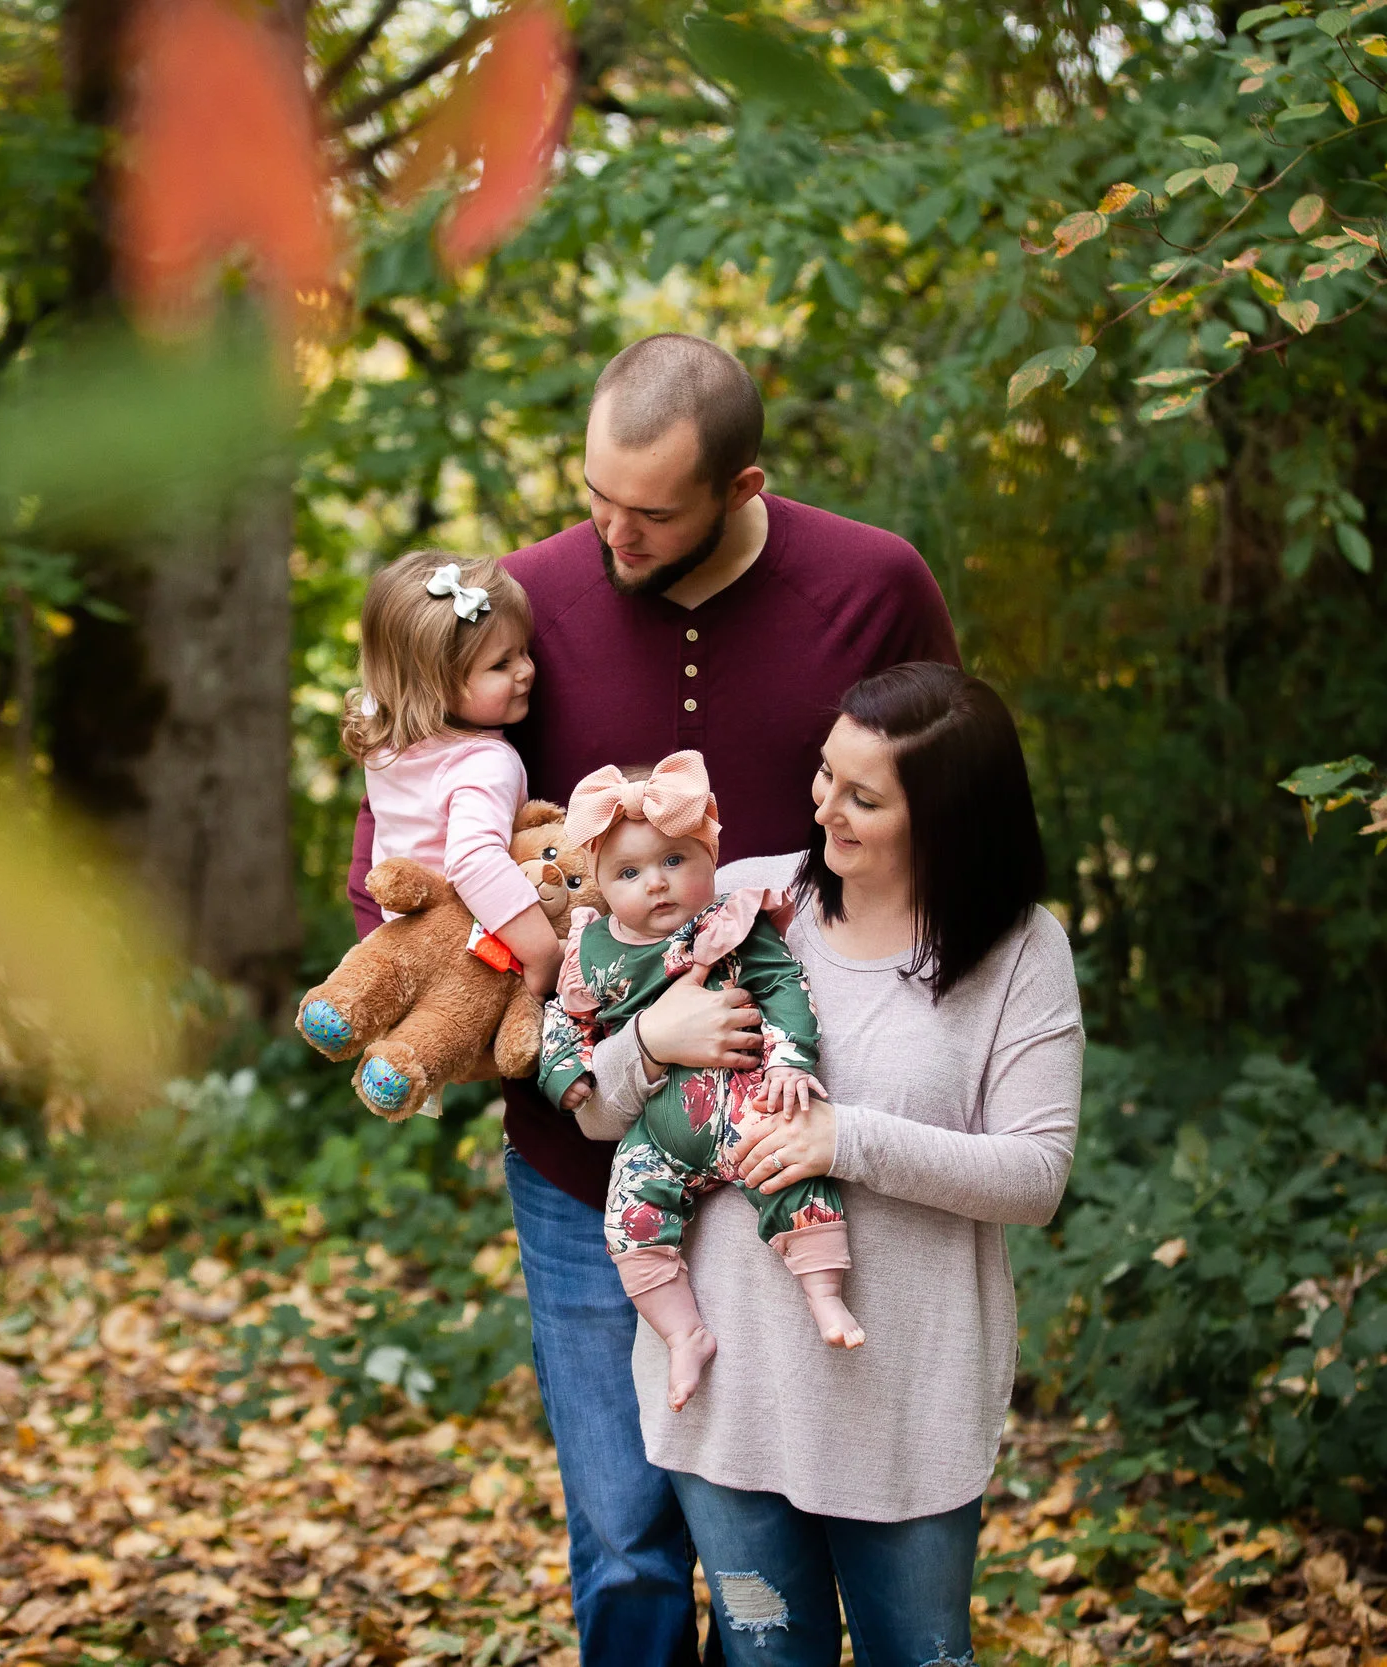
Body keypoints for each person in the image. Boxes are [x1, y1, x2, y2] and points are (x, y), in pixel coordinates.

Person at [348, 334, 956, 1666]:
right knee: (626, 1543)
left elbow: (945, 827)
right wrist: (498, 985)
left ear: (744, 485)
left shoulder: (873, 585)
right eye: (593, 495)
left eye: (650, 509)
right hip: (584, 1161)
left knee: (782, 1551)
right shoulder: (525, 605)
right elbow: (400, 861)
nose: (608, 532)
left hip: (787, 1140)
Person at [577, 663, 1082, 1667]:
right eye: (824, 777)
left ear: (946, 816)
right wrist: (652, 1041)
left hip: (905, 1404)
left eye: (863, 796)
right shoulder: (737, 900)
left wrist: (842, 1138)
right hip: (729, 1396)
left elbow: (1036, 1175)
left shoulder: (1021, 951)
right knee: (768, 1653)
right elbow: (597, 1113)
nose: (826, 809)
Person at [535, 752, 858, 1415]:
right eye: (629, 872)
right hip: (657, 1128)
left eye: (675, 860)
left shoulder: (729, 922)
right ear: (598, 880)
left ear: (711, 857)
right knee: (629, 1222)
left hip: (744, 1103)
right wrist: (563, 1073)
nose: (655, 882)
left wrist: (792, 1058)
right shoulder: (591, 952)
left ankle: (824, 1292)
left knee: (794, 1171)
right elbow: (564, 1023)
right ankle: (684, 1332)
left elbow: (784, 987)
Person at [321, 552, 561, 1112]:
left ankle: (346, 1018)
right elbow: (475, 862)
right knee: (457, 1024)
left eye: (523, 650)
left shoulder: (387, 741)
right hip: (467, 947)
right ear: (434, 687)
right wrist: (543, 955)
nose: (527, 669)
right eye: (501, 664)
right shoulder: (484, 761)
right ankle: (407, 1067)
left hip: (397, 937)